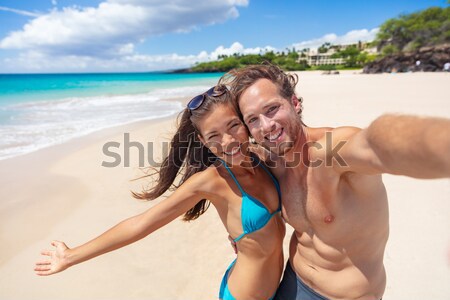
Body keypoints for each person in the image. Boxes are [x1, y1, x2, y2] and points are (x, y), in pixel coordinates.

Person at [220, 63, 450, 300]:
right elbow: (226, 170)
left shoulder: (332, 151)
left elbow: (377, 142)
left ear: (295, 103)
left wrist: (441, 144)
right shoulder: (273, 163)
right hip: (292, 280)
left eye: (272, 109)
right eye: (253, 120)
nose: (266, 126)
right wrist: (240, 231)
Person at [34, 85, 286, 300]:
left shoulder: (263, 157)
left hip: (280, 287)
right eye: (214, 136)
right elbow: (141, 224)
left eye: (233, 126)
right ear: (202, 140)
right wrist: (71, 256)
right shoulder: (210, 181)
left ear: (244, 121)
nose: (228, 141)